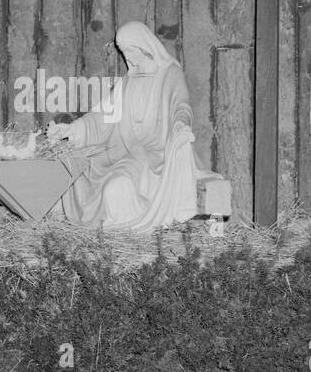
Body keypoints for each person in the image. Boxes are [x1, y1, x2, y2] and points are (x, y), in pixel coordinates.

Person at [47, 21, 211, 229]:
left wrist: (180, 126)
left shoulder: (170, 74)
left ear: (145, 47)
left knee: (115, 188)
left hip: (155, 155)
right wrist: (74, 129)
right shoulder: (128, 82)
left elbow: (182, 107)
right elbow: (101, 117)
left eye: (130, 50)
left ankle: (133, 227)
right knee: (78, 163)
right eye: (123, 51)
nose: (127, 57)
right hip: (126, 154)